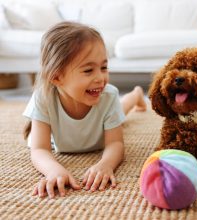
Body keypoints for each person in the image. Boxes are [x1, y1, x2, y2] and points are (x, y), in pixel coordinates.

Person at [23, 21, 147, 199]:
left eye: (104, 68)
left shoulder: (108, 95)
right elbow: (39, 149)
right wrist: (54, 170)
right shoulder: (43, 98)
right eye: (89, 70)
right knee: (120, 109)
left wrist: (106, 164)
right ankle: (135, 95)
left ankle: (136, 95)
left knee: (122, 109)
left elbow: (115, 143)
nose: (101, 78)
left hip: (107, 115)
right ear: (57, 77)